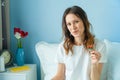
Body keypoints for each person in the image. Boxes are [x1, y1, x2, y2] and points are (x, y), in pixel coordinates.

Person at [52, 5, 107, 80]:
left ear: (84, 22)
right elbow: (60, 76)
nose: (73, 27)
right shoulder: (63, 46)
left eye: (76, 22)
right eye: (69, 24)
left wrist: (94, 64)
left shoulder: (99, 46)